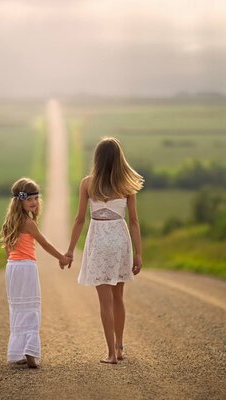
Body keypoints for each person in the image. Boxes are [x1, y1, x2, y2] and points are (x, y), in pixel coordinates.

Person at [66, 137, 143, 364]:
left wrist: (70, 250)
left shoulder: (87, 183)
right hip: (120, 240)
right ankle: (119, 347)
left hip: (99, 240)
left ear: (97, 158)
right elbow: (135, 222)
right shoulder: (126, 186)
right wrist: (139, 253)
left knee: (105, 302)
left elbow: (80, 219)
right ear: (120, 159)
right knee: (119, 297)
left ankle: (110, 353)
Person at [0, 177, 71, 368]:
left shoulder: (10, 222)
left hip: (12, 268)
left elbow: (8, 249)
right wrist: (61, 257)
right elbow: (44, 244)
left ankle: (20, 351)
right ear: (20, 201)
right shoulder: (28, 223)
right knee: (31, 308)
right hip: (26, 267)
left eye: (36, 198)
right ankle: (30, 353)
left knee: (18, 308)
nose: (34, 202)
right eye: (29, 199)